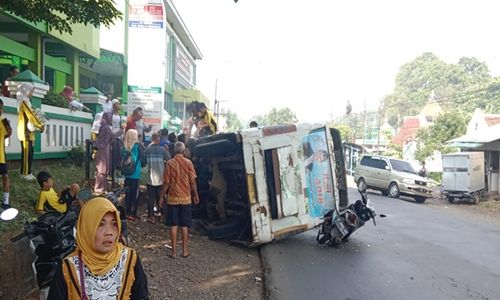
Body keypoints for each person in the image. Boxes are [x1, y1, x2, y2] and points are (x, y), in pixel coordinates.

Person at [48, 197, 149, 300]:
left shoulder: (129, 259)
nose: (109, 232)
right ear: (87, 228)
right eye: (100, 224)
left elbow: (142, 296)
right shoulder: (69, 267)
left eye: (114, 224)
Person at [159, 142, 199, 258]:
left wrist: (161, 197)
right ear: (184, 151)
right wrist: (195, 194)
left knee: (173, 225)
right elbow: (193, 181)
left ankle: (173, 252)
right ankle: (185, 251)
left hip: (172, 199)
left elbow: (166, 183)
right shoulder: (188, 163)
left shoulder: (170, 163)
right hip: (186, 199)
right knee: (184, 226)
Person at [17, 82, 44, 180]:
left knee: (30, 152)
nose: (32, 92)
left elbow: (32, 113)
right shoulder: (23, 101)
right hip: (25, 130)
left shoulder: (27, 100)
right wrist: (39, 125)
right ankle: (24, 173)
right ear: (26, 90)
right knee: (25, 152)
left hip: (29, 130)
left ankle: (28, 172)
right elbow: (30, 115)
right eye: (31, 90)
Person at [94, 112, 124, 194]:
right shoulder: (106, 127)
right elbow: (112, 136)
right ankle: (99, 188)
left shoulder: (102, 125)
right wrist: (120, 131)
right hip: (103, 149)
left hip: (103, 148)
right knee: (102, 169)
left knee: (103, 169)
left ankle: (102, 187)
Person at [145, 133, 169, 223]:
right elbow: (169, 159)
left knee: (151, 198)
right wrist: (167, 150)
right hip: (161, 178)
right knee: (161, 197)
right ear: (157, 139)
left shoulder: (148, 149)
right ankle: (162, 216)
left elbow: (144, 159)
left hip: (151, 178)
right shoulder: (162, 150)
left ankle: (151, 217)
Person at [122, 129, 142, 220]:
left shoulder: (124, 147)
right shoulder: (137, 146)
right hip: (135, 174)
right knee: (135, 194)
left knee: (127, 194)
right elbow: (143, 158)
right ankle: (133, 214)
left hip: (126, 175)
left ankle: (126, 212)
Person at [0, 99, 12, 209]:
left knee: (5, 177)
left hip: (1, 156)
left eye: (1, 108)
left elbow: (8, 132)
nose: (1, 110)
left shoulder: (3, 121)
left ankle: (6, 201)